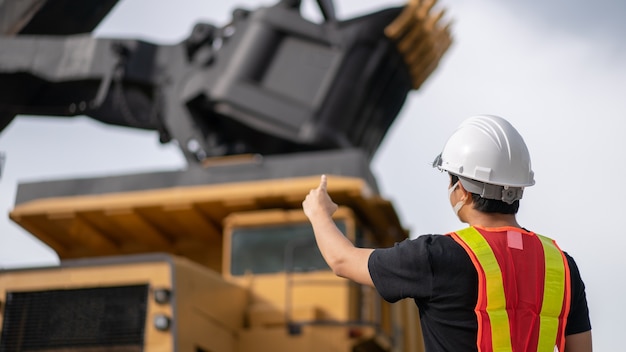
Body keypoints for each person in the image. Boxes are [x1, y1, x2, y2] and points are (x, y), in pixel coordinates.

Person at [302, 115, 591, 352]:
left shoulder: (437, 256)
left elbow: (342, 260)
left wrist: (318, 213)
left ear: (462, 189)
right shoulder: (562, 267)